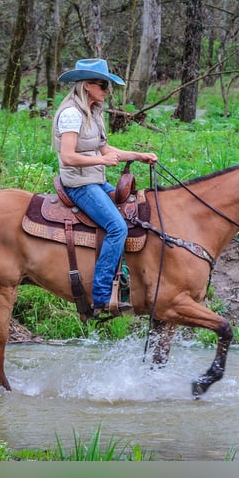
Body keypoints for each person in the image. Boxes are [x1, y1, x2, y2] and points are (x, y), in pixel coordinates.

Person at [52, 58, 158, 318]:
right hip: (78, 183)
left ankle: (126, 279)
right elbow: (67, 156)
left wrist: (138, 155)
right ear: (88, 85)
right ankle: (100, 295)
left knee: (134, 212)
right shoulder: (71, 114)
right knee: (116, 226)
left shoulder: (94, 112)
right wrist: (101, 161)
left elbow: (106, 150)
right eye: (103, 85)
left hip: (96, 179)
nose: (107, 91)